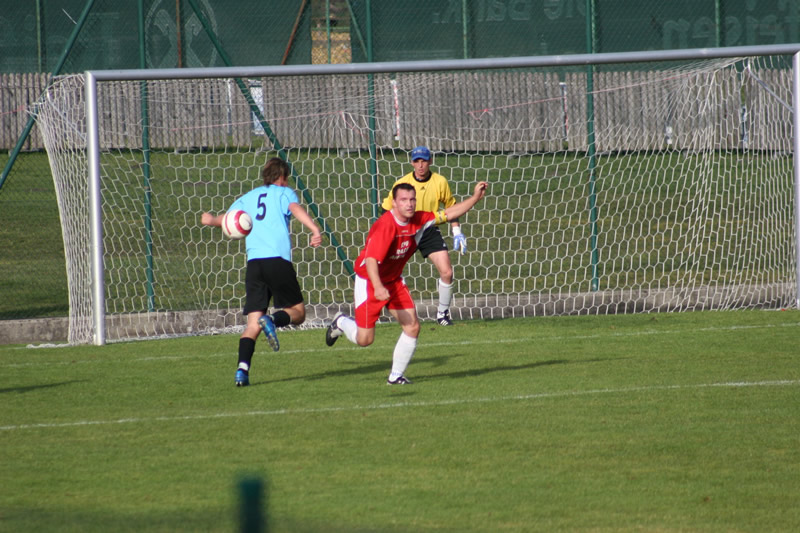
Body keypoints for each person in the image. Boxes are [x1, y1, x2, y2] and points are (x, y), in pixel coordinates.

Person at [325, 180, 488, 385]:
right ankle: (340, 321)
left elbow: (449, 213)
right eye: (403, 200)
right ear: (394, 203)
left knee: (412, 327)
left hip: (393, 281)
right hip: (369, 281)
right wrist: (377, 287)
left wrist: (474, 198)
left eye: (412, 200)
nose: (409, 204)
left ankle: (395, 376)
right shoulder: (385, 226)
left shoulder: (419, 219)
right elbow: (370, 261)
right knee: (365, 340)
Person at [201, 157, 322, 387]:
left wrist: (210, 220)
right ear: (284, 178)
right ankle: (273, 320)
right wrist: (314, 228)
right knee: (298, 313)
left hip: (254, 265)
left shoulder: (248, 197)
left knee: (252, 324)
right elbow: (295, 209)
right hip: (277, 260)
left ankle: (242, 371)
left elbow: (228, 221)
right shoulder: (284, 193)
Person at [380, 145, 466, 326]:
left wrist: (456, 230)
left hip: (428, 229)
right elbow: (386, 210)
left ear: (430, 161)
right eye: (417, 161)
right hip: (403, 230)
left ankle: (442, 314)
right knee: (384, 271)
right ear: (411, 162)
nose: (420, 165)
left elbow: (451, 207)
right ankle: (377, 308)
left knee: (447, 271)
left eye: (424, 161)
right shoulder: (401, 184)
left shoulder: (439, 182)